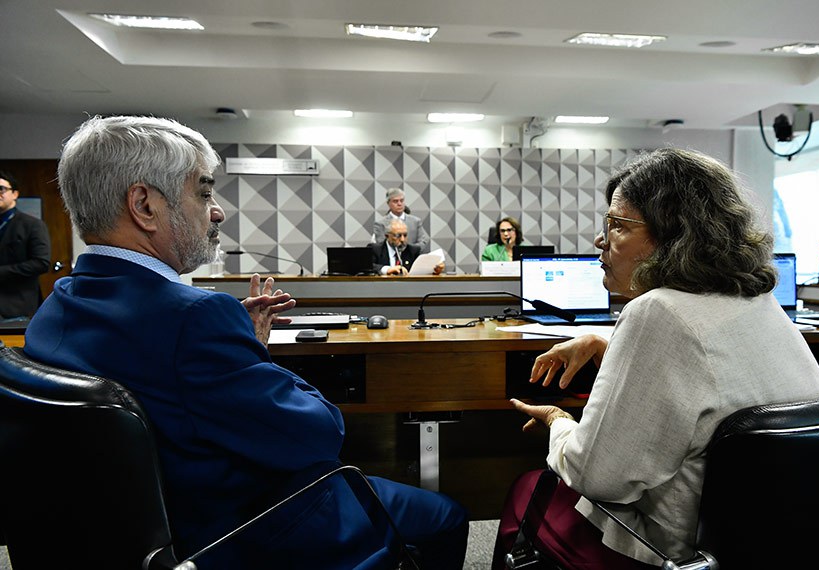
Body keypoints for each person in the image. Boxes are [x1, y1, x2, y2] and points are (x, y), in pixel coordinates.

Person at [24, 115, 468, 569]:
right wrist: (255, 354)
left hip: (128, 534)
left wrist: (234, 352)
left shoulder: (55, 307)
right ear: (143, 205)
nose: (216, 210)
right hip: (240, 529)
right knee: (446, 515)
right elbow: (319, 435)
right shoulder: (195, 317)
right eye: (204, 191)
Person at [492, 148, 819, 569]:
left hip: (674, 554)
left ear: (674, 235)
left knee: (527, 489)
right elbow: (713, 372)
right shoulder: (758, 301)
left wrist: (557, 421)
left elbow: (596, 476)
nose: (600, 239)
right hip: (778, 542)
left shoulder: (657, 312)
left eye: (616, 224)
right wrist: (608, 341)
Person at [0, 170, 51, 321]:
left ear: (15, 194)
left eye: (2, 189)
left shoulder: (32, 225)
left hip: (16, 308)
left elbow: (41, 263)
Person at [371, 218, 444, 276]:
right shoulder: (375, 249)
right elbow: (367, 267)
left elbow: (422, 270)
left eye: (405, 235)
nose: (402, 239)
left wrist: (434, 270)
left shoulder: (413, 250)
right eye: (398, 236)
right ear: (387, 236)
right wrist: (387, 269)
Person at [372, 187, 430, 253]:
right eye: (395, 201)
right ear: (388, 203)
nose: (399, 204)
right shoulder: (380, 224)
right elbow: (381, 245)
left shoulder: (416, 221)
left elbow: (423, 242)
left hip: (413, 259)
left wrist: (409, 252)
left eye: (401, 201)